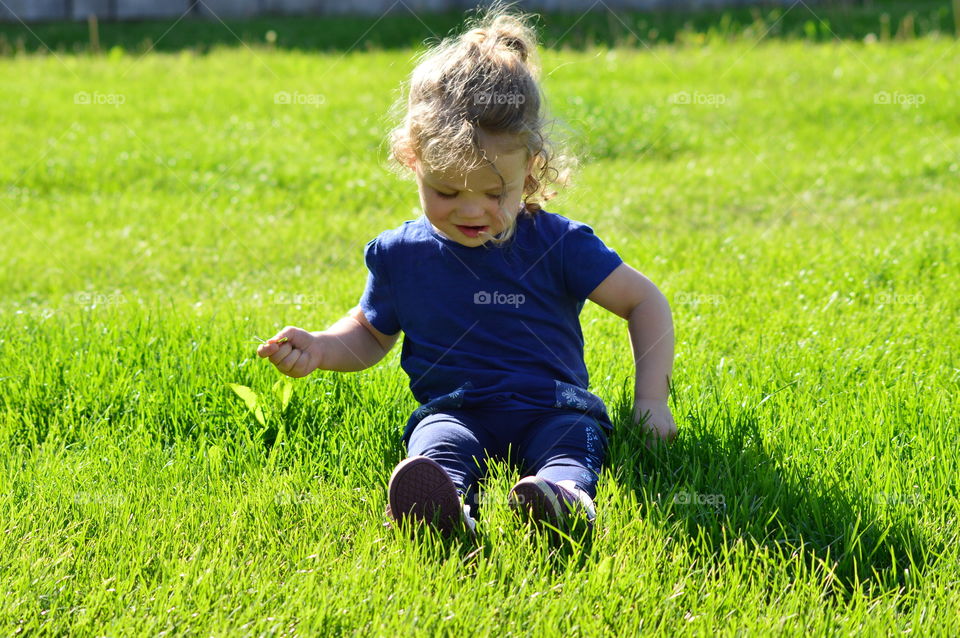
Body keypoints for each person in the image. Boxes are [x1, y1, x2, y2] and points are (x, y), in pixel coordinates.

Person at [257, 5, 676, 537]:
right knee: (435, 443)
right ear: (413, 160)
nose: (472, 211)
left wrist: (650, 403)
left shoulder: (559, 244)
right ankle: (445, 505)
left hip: (552, 405)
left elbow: (644, 301)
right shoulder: (400, 255)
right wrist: (319, 347)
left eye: (495, 192)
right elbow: (368, 332)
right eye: (446, 191)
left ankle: (562, 499)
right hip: (457, 409)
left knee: (574, 437)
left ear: (530, 167)